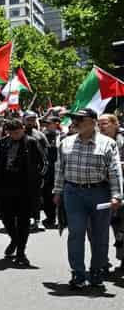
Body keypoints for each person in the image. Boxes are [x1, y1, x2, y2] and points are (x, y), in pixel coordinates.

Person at [53, 108, 123, 288]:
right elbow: (60, 169)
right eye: (74, 119)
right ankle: (78, 273)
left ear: (93, 122)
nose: (75, 123)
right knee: (76, 233)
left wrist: (117, 195)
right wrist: (57, 191)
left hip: (100, 193)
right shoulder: (65, 142)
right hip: (73, 193)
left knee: (99, 235)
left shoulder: (108, 144)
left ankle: (96, 271)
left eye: (80, 119)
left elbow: (115, 171)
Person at [0, 119, 44, 267]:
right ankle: (15, 240)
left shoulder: (32, 142)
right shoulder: (3, 142)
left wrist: (37, 179)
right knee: (6, 218)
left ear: (22, 129)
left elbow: (44, 163)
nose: (15, 135)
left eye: (17, 132)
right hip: (6, 185)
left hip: (25, 187)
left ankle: (21, 251)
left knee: (23, 221)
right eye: (11, 133)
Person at [99, 113, 124, 269]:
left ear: (115, 124)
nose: (102, 127)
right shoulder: (97, 141)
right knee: (101, 226)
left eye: (105, 123)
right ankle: (101, 259)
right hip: (102, 188)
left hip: (121, 187)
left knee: (121, 225)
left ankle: (122, 258)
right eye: (99, 124)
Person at [41, 116, 62, 227]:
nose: (47, 125)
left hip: (59, 170)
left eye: (50, 123)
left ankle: (62, 218)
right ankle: (50, 217)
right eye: (46, 123)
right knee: (47, 195)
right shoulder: (42, 135)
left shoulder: (62, 136)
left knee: (60, 195)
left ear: (57, 123)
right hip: (47, 171)